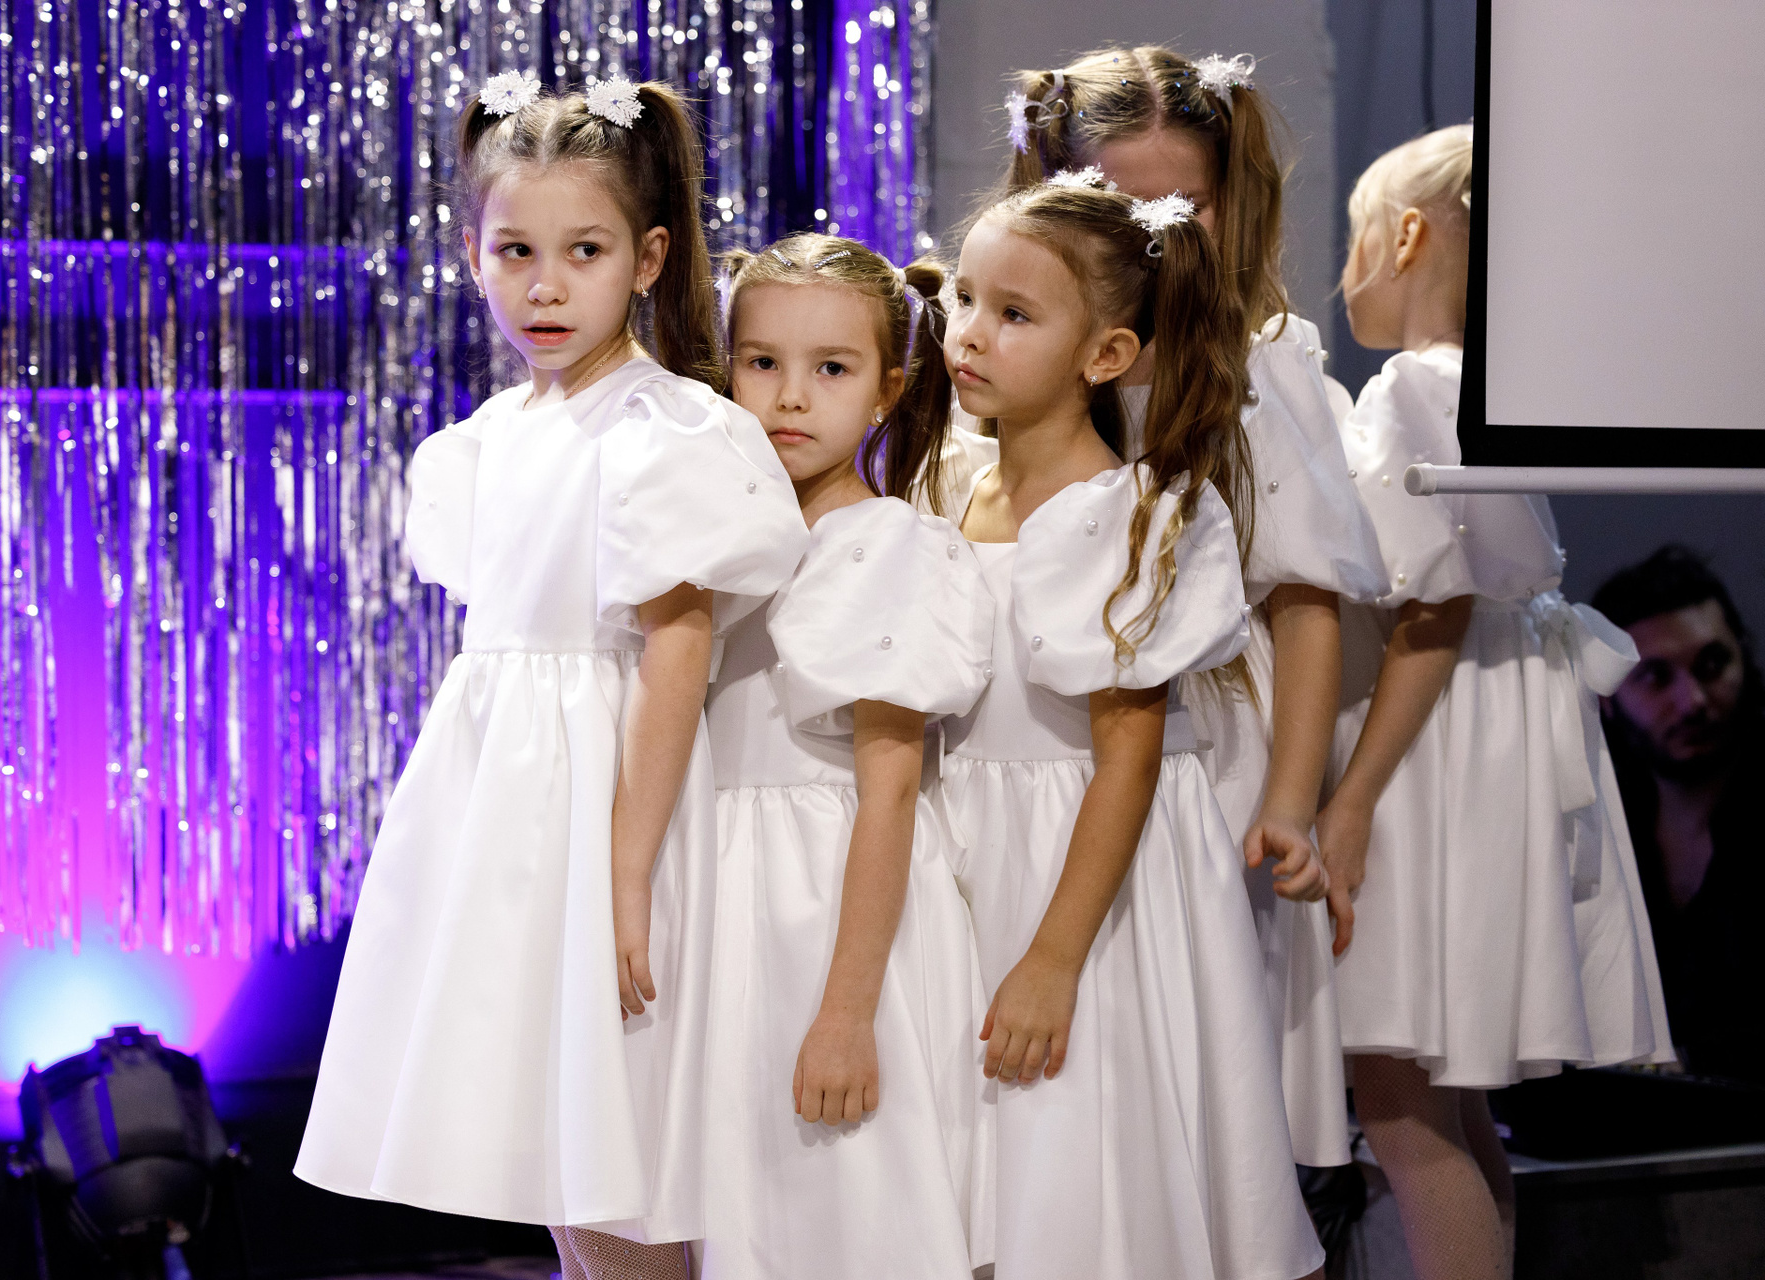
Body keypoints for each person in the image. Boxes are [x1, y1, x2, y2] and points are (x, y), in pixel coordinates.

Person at [292, 73, 809, 1280]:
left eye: (584, 251)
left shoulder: (665, 429)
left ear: (646, 258)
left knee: (623, 1141)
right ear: (470, 254)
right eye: (515, 250)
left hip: (612, 812)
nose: (544, 285)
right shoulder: (485, 442)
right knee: (555, 1151)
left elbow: (677, 651)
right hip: (508, 815)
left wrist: (625, 873)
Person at [996, 46, 1392, 1171]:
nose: (1155, 233)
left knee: (1185, 1053)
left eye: (1186, 205)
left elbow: (1305, 603)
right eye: (1117, 202)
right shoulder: (1014, 354)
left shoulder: (1254, 372)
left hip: (1200, 750)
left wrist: (1290, 801)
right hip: (1035, 748)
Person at [937, 180, 1324, 1280]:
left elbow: (1129, 759)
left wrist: (1055, 957)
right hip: (973, 854)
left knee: (1089, 1145)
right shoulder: (953, 490)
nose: (971, 332)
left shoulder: (1132, 515)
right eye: (965, 298)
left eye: (1015, 313)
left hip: (1087, 874)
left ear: (1105, 355)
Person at [1322, 122, 1672, 1280]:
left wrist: (1351, 799)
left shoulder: (1418, 385)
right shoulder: (1475, 384)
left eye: (1355, 240)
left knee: (1397, 1094)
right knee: (1448, 1096)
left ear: (1405, 237)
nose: (1343, 273)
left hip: (1437, 737)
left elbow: (1437, 601)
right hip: (1486, 718)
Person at [700, 234, 994, 1278]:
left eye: (831, 367)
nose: (790, 395)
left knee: (850, 1210)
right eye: (761, 362)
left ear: (886, 390)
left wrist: (845, 1010)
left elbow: (892, 791)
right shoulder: (714, 550)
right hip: (728, 908)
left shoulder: (888, 545)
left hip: (833, 911)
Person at [1594, 545, 1765, 1118]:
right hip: (1640, 1127)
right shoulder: (1603, 822)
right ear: (1607, 699)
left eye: (1712, 664)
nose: (1693, 701)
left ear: (1743, 660)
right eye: (1655, 677)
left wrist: (1685, 1064)